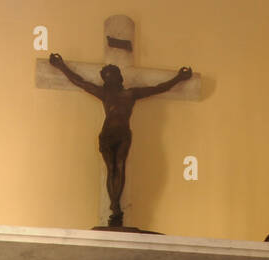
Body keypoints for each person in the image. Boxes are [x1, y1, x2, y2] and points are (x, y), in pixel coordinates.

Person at [49, 53, 193, 227]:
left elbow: (159, 88)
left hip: (123, 134)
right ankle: (115, 205)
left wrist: (179, 77)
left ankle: (116, 206)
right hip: (107, 134)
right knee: (111, 168)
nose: (108, 82)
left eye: (111, 77)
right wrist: (61, 66)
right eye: (106, 78)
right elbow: (80, 82)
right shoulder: (104, 94)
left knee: (120, 165)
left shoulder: (130, 94)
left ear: (119, 78)